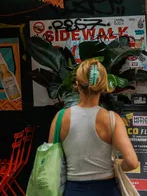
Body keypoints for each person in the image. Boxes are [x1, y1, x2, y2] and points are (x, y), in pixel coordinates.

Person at [49, 59, 139, 196]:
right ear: (103, 86)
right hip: (106, 190)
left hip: (73, 190)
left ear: (77, 85)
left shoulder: (60, 118)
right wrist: (118, 167)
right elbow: (132, 162)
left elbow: (51, 159)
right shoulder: (111, 119)